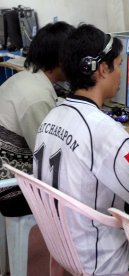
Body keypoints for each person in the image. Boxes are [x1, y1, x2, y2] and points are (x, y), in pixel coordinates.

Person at [33, 24, 129, 275]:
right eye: (119, 65)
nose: (120, 74)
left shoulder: (52, 117)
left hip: (64, 245)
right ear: (102, 69)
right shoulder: (103, 129)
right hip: (101, 257)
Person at [0, 21, 75, 217]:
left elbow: (57, 104)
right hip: (10, 188)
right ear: (61, 59)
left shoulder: (28, 79)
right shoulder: (36, 97)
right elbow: (50, 159)